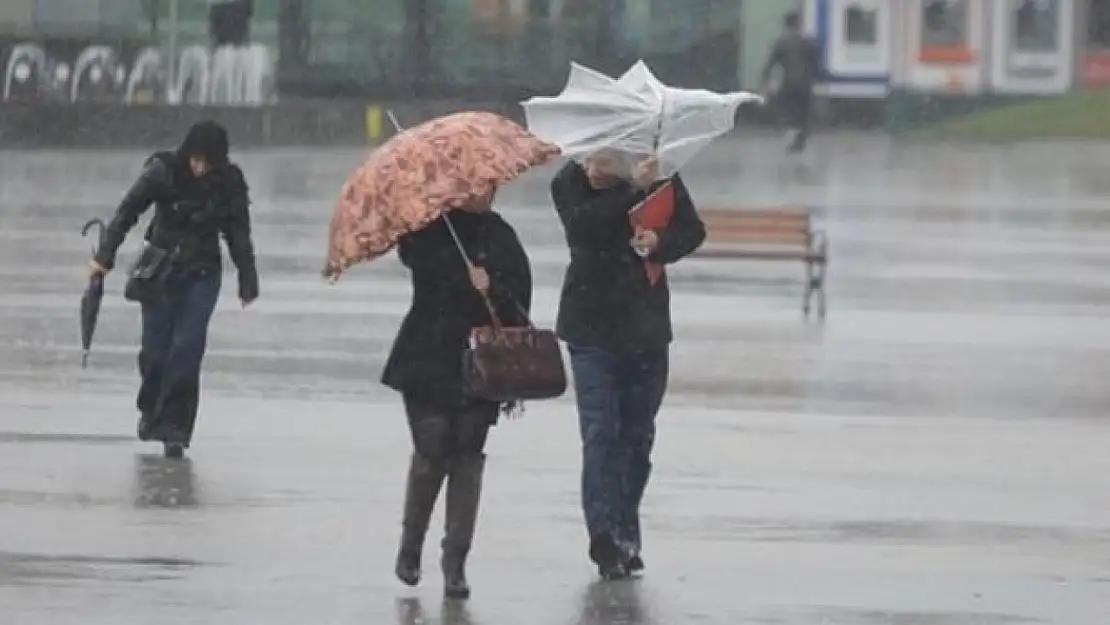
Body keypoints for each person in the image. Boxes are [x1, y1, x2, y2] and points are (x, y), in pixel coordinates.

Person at [550, 150, 706, 579]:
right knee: (600, 432)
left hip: (646, 329)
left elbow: (692, 231)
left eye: (605, 160)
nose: (594, 168)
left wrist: (661, 242)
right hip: (590, 328)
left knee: (637, 437)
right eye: (590, 159)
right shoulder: (568, 182)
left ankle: (624, 531)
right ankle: (603, 533)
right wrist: (634, 191)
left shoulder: (659, 174)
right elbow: (585, 227)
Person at [381, 192, 532, 600]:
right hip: (426, 355)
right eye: (477, 185)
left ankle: (455, 560)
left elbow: (520, 299)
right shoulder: (428, 229)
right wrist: (460, 273)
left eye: (491, 186)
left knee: (467, 455)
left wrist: (492, 287)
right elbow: (416, 260)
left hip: (480, 361)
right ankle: (411, 546)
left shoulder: (501, 234)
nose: (486, 193)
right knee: (431, 449)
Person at [87, 121, 259, 459]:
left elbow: (239, 233)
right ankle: (151, 409)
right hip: (160, 272)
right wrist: (105, 256)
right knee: (154, 352)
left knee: (187, 349)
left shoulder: (229, 184)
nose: (200, 168)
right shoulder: (163, 171)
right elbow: (128, 211)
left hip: (203, 274)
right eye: (195, 160)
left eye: (207, 162)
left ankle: (176, 430)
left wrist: (247, 277)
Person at [760, 10, 821, 154]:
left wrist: (765, 80)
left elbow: (771, 63)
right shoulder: (807, 41)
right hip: (804, 83)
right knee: (805, 113)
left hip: (788, 82)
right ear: (798, 23)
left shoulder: (781, 42)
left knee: (785, 108)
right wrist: (816, 78)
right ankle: (800, 139)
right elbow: (816, 63)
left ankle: (788, 129)